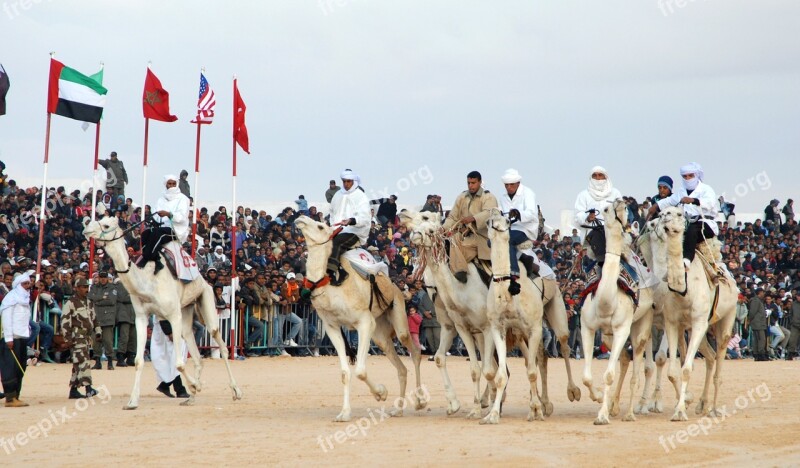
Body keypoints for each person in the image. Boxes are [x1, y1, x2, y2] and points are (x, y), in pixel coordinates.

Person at [652, 163, 719, 270]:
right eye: (685, 176)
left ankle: (686, 260)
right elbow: (670, 200)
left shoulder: (706, 189)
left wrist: (694, 200)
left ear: (696, 175)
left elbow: (710, 203)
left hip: (705, 224)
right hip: (686, 223)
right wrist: (656, 205)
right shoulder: (681, 191)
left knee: (693, 230)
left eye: (690, 176)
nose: (687, 178)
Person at [442, 171, 498, 283]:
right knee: (452, 240)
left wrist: (473, 218)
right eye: (468, 183)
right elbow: (453, 217)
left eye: (473, 183)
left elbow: (490, 213)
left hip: (482, 237)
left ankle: (460, 271)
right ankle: (459, 271)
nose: (470, 185)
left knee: (455, 247)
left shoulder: (488, 197)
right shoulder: (462, 197)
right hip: (464, 236)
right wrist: (442, 228)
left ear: (480, 182)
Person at [497, 168, 538, 295]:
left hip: (525, 228)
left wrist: (519, 213)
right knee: (490, 242)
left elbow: (531, 214)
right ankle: (522, 258)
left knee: (507, 240)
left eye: (511, 185)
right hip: (509, 228)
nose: (508, 187)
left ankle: (514, 272)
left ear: (518, 183)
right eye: (506, 185)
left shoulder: (528, 193)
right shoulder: (503, 196)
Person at [326, 169, 370, 285]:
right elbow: (332, 213)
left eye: (348, 181)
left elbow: (365, 217)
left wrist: (351, 221)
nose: (346, 184)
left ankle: (330, 274)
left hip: (355, 230)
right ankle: (341, 270)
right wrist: (332, 227)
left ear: (353, 181)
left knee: (337, 243)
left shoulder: (361, 196)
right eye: (344, 181)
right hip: (338, 229)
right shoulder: (337, 195)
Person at [140, 174, 190, 273]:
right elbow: (155, 213)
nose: (171, 185)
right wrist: (156, 219)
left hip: (175, 229)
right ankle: (156, 259)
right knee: (145, 234)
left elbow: (182, 216)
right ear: (166, 184)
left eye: (173, 183)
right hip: (160, 227)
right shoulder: (161, 199)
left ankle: (146, 258)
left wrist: (168, 214)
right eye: (169, 183)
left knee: (158, 234)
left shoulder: (183, 199)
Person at [59, 277, 100, 399]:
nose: (85, 289)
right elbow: (65, 322)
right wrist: (67, 339)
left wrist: (98, 331)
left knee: (78, 364)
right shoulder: (71, 303)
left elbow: (95, 318)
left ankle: (73, 390)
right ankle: (88, 388)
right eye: (83, 287)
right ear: (76, 288)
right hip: (77, 336)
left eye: (86, 287)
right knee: (84, 361)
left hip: (87, 337)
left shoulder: (89, 302)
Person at [0, 272, 32, 407]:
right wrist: (8, 338)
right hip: (11, 338)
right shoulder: (11, 298)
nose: (28, 286)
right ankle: (10, 397)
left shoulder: (25, 300)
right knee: (10, 368)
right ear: (18, 285)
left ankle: (16, 395)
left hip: (22, 337)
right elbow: (6, 320)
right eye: (25, 284)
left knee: (20, 367)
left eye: (28, 284)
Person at [150, 319, 190, 398]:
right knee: (174, 359)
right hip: (167, 330)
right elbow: (161, 312)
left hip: (176, 326)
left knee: (175, 359)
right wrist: (169, 331)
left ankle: (166, 385)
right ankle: (179, 389)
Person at [88, 271, 117, 370]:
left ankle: (110, 362)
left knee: (108, 341)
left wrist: (97, 300)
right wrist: (102, 298)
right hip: (96, 318)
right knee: (96, 341)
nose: (103, 279)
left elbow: (111, 300)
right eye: (101, 277)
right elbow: (90, 297)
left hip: (107, 318)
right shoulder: (94, 287)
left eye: (105, 277)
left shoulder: (112, 287)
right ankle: (97, 362)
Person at [114, 279, 136, 367]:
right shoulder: (120, 283)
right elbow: (122, 297)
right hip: (124, 314)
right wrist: (134, 296)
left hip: (133, 314)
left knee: (133, 338)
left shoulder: (132, 284)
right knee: (124, 337)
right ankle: (120, 357)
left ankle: (131, 357)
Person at [748, 288, 768, 361]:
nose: (764, 294)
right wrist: (750, 319)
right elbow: (752, 312)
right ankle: (760, 354)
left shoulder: (758, 301)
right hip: (758, 323)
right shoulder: (756, 301)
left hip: (760, 322)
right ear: (759, 292)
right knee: (760, 339)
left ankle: (758, 354)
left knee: (758, 339)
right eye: (763, 292)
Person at [786, 290, 800, 360]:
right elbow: (790, 314)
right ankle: (790, 354)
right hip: (795, 325)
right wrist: (792, 322)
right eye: (798, 296)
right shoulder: (793, 304)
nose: (798, 297)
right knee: (792, 340)